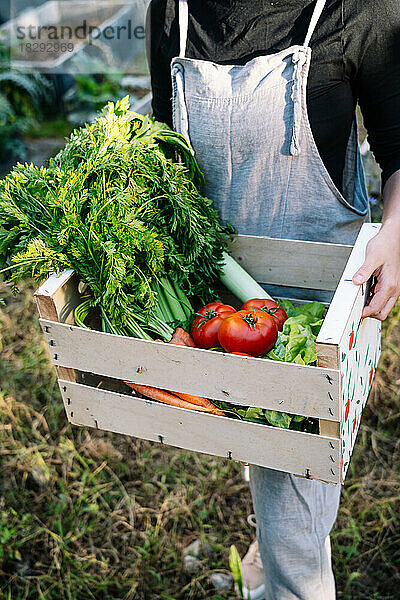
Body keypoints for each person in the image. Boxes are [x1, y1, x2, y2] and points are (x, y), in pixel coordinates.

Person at [147, 1, 400, 598]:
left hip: (319, 303)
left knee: (296, 507)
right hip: (218, 299)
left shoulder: (359, 8)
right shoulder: (175, 9)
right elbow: (164, 144)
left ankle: (288, 584)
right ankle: (269, 561)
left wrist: (396, 231)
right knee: (263, 453)